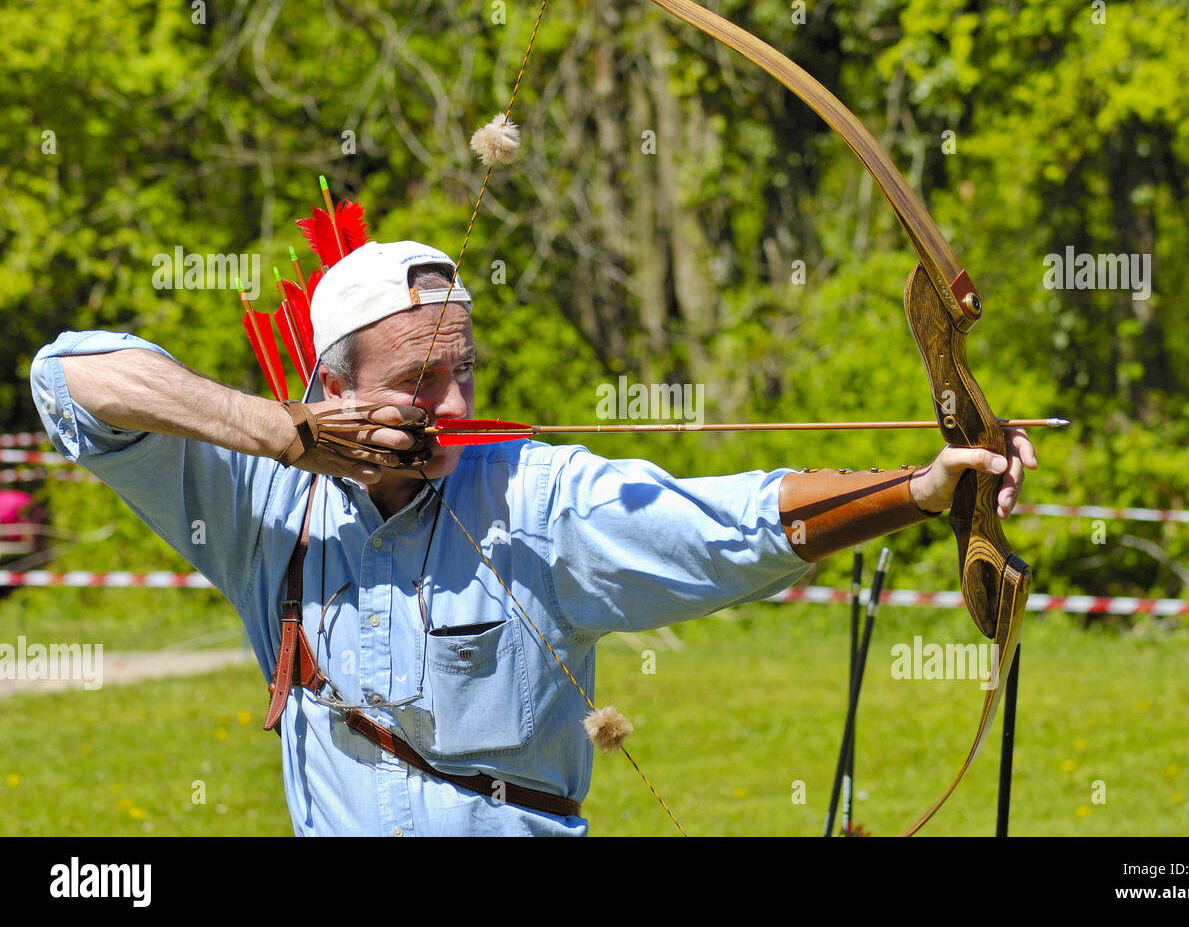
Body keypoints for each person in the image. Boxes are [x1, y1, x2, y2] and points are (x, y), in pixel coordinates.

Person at [30, 240, 1035, 836]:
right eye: (416, 381)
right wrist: (281, 437)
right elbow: (68, 376)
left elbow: (722, 524)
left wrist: (920, 486)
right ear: (330, 385)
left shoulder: (537, 494)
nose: (451, 404)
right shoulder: (260, 499)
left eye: (462, 370)